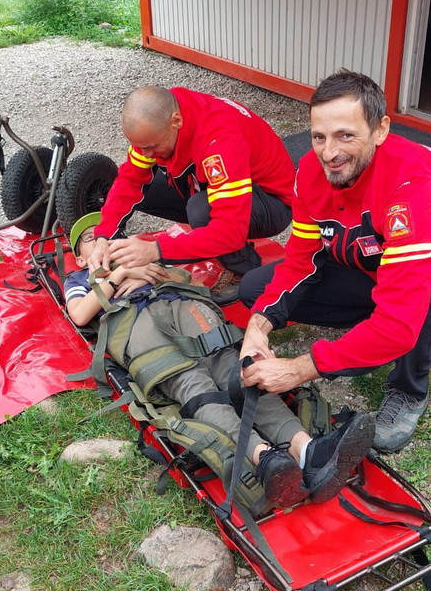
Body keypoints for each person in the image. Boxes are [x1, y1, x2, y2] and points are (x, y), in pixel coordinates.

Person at [64, 212, 375, 510]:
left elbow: (183, 280)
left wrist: (147, 269)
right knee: (193, 386)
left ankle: (306, 448)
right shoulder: (80, 278)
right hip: (138, 326)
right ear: (79, 258)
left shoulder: (142, 258)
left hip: (181, 308)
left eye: (111, 236)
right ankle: (264, 458)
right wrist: (118, 275)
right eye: (92, 238)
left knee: (236, 368)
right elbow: (79, 314)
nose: (105, 243)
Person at [239, 69, 431, 454]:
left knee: (410, 313)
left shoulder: (413, 186)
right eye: (319, 137)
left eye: (346, 135)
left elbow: (398, 324)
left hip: (418, 265)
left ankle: (409, 390)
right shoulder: (310, 172)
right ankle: (372, 329)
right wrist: (258, 325)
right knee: (255, 289)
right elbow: (301, 260)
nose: (329, 153)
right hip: (375, 266)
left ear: (380, 130)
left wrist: (300, 368)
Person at [88, 86, 295, 303]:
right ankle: (200, 234)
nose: (147, 154)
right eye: (140, 147)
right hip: (227, 180)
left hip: (272, 202)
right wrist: (104, 236)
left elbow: (231, 230)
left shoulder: (221, 142)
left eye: (153, 146)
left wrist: (156, 249)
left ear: (176, 122)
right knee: (144, 191)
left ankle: (243, 268)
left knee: (200, 210)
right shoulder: (164, 116)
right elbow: (130, 181)